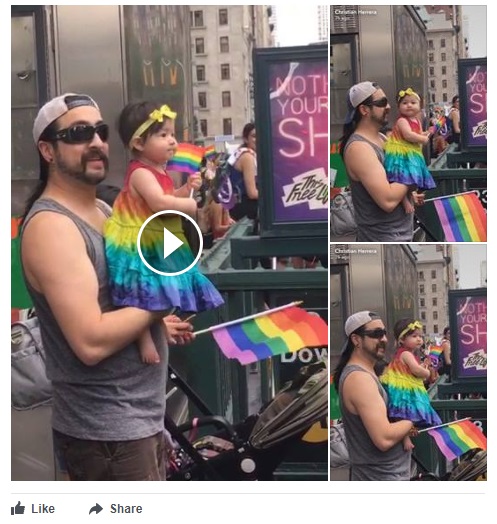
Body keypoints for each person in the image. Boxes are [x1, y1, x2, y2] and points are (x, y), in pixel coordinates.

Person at [20, 93, 191, 481]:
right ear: (47, 150)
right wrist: (163, 299)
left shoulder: (101, 209)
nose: (96, 142)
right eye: (79, 133)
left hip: (135, 423)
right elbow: (90, 341)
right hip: (108, 437)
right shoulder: (52, 228)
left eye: (99, 131)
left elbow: (118, 293)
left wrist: (155, 324)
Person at [103, 101, 224, 364]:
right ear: (138, 143)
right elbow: (158, 203)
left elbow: (167, 197)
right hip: (140, 241)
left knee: (157, 292)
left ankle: (155, 330)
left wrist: (185, 190)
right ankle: (144, 338)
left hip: (158, 236)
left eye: (172, 134)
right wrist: (189, 204)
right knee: (141, 292)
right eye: (163, 135)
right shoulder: (140, 173)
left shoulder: (160, 171)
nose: (172, 141)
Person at [333, 311, 415, 480]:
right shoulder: (359, 379)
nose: (384, 339)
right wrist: (412, 418)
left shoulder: (367, 373)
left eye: (384, 333)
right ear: (356, 340)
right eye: (376, 334)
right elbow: (383, 438)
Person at [339, 81, 424, 242]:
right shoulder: (359, 149)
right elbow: (388, 200)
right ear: (364, 110)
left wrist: (410, 195)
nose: (389, 107)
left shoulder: (382, 137)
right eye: (381, 103)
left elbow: (393, 183)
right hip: (381, 240)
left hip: (399, 236)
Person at [379, 319, 442, 452]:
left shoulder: (406, 354)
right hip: (404, 390)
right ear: (402, 339)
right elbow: (417, 371)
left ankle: (407, 434)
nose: (419, 339)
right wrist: (425, 371)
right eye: (414, 336)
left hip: (404, 387)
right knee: (406, 413)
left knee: (404, 414)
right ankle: (406, 436)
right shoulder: (406, 354)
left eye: (420, 336)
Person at [383, 88, 436, 214]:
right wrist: (423, 139)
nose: (409, 105)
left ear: (420, 106)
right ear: (399, 106)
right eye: (405, 103)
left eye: (413, 102)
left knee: (410, 179)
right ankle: (405, 201)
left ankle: (410, 197)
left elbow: (416, 133)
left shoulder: (417, 120)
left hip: (411, 152)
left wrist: (425, 133)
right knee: (400, 178)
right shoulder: (402, 121)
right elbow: (408, 135)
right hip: (400, 152)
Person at [229, 123, 258, 221]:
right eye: (254, 136)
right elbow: (252, 193)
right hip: (244, 210)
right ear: (246, 139)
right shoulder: (247, 157)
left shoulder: (239, 153)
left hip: (236, 207)